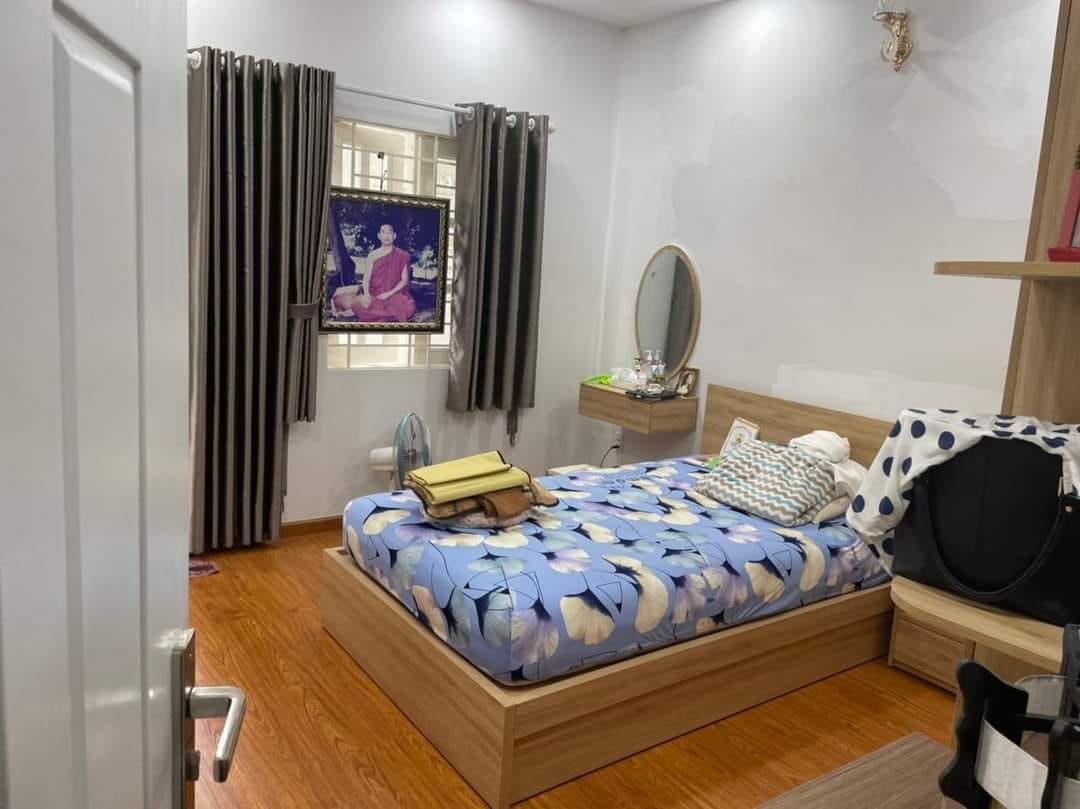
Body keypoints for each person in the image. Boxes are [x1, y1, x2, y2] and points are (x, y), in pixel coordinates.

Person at [351, 223, 416, 323]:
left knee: (409, 308)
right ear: (379, 236)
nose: (386, 236)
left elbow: (404, 280)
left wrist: (389, 294)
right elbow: (366, 278)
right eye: (383, 233)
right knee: (356, 305)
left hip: (394, 295)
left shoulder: (402, 255)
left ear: (394, 236)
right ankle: (387, 314)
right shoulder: (372, 255)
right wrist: (367, 295)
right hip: (376, 295)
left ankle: (378, 315)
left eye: (389, 233)